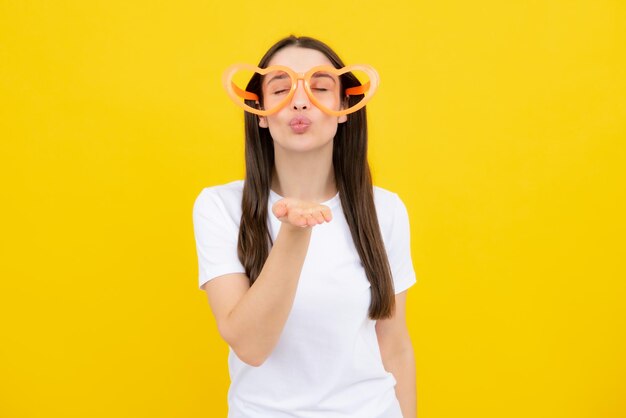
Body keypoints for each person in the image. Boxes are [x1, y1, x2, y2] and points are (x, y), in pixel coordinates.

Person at [192, 35, 418, 418]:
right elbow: (250, 346)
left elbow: (394, 345)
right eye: (280, 88)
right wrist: (294, 232)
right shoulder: (220, 207)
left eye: (319, 88)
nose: (299, 101)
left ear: (345, 107)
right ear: (259, 111)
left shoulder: (385, 210)